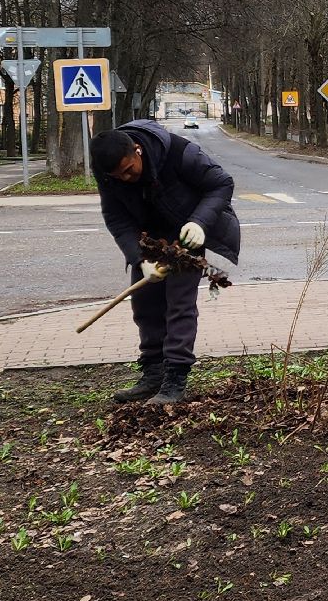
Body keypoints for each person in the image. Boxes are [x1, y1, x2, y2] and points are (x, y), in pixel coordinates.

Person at [90, 120, 240, 405]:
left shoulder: (179, 152)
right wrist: (139, 258)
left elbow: (222, 183)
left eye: (129, 170)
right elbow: (117, 219)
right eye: (118, 176)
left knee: (179, 304)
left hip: (185, 236)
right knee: (145, 303)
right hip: (148, 240)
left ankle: (175, 377)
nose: (125, 179)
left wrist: (199, 223)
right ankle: (153, 373)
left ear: (137, 150)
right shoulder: (106, 173)